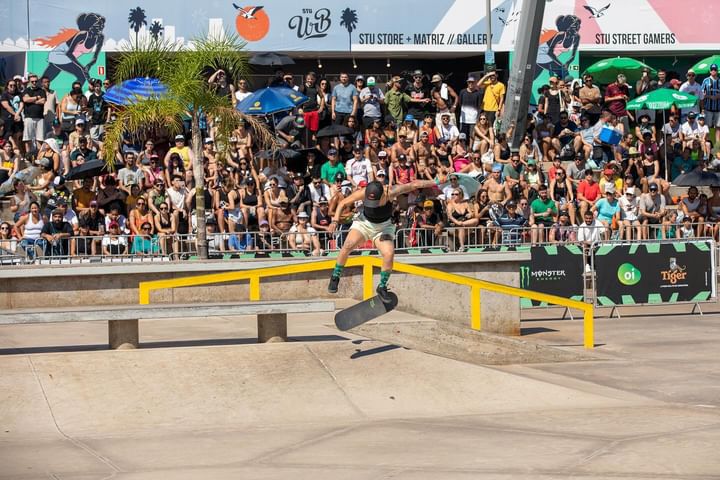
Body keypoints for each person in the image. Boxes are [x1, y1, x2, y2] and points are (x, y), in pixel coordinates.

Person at [327, 178, 437, 302]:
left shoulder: (391, 192)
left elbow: (414, 184)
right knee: (347, 246)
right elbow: (343, 203)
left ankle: (382, 286)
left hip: (383, 228)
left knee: (389, 253)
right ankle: (336, 276)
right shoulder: (364, 192)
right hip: (364, 223)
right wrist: (335, 221)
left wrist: (437, 181)